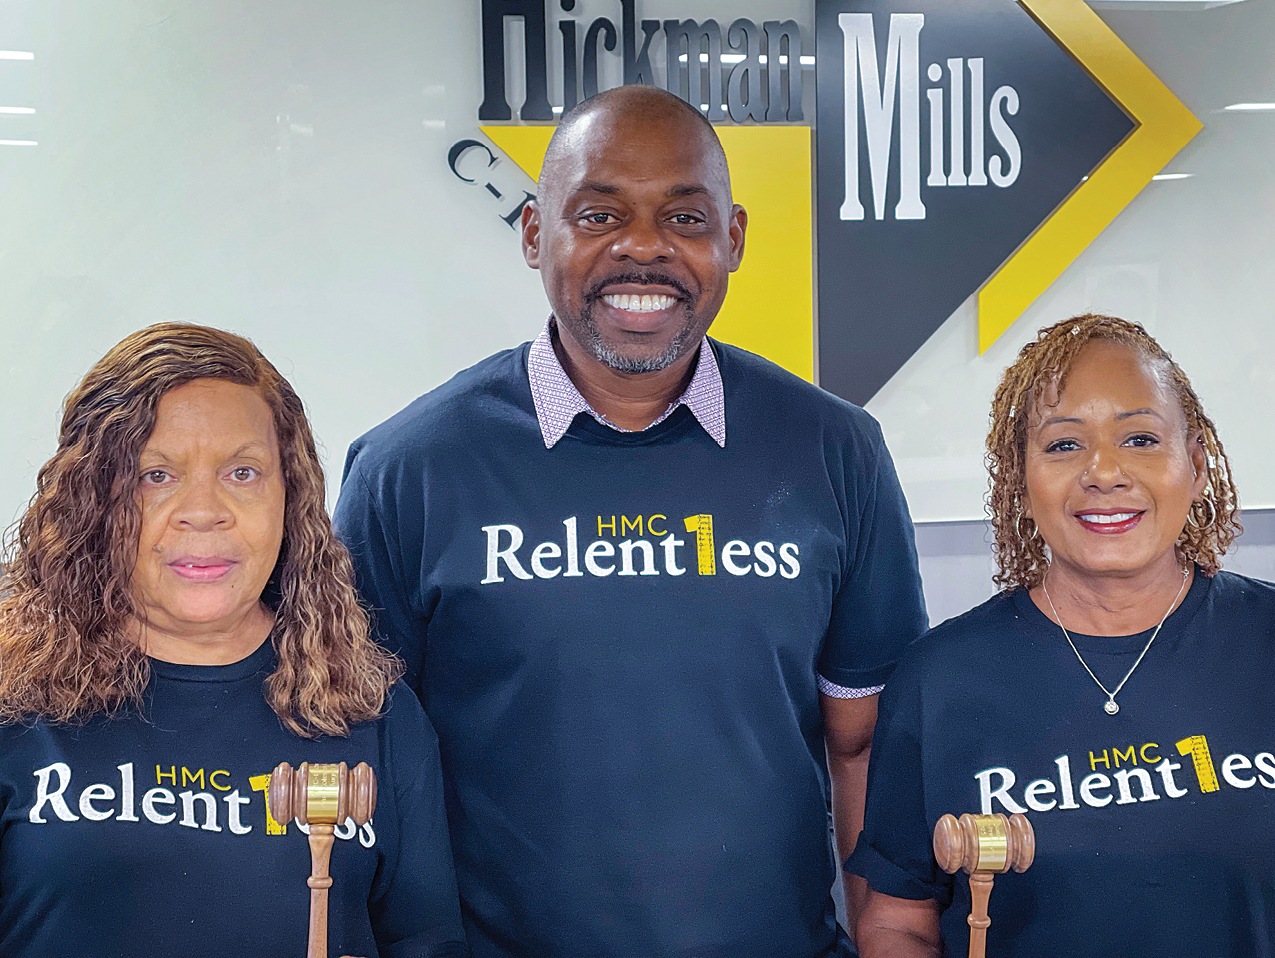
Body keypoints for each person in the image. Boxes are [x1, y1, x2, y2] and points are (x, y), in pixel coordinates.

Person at [334, 85, 927, 957]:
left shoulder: (835, 451)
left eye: (685, 219)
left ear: (733, 239)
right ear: (536, 231)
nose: (643, 248)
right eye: (600, 213)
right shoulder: (407, 471)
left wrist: (888, 938)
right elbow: (363, 769)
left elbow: (864, 745)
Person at [0, 323, 468, 958]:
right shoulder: (14, 703)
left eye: (242, 472)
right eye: (155, 475)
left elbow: (427, 941)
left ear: (290, 495)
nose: (204, 509)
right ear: (92, 498)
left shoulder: (376, 718)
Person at [848, 314, 1274, 958]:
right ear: (1019, 482)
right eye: (1064, 445)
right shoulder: (942, 678)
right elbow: (899, 920)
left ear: (1196, 465)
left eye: (1140, 438)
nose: (1105, 472)